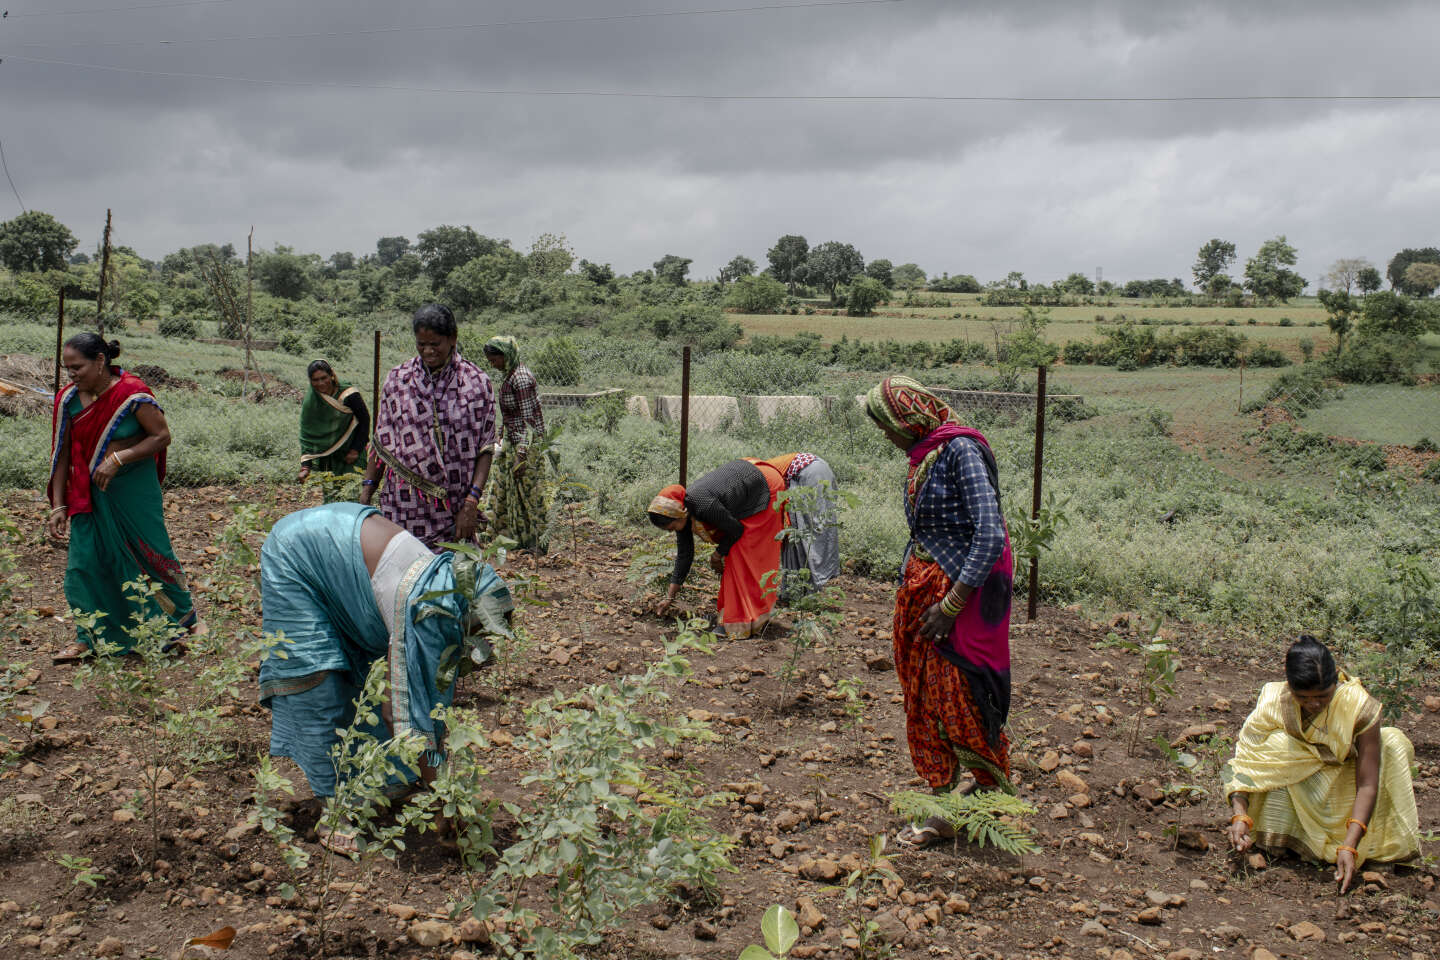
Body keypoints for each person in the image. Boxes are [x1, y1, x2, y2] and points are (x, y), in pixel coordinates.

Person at [259, 502, 514, 852]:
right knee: (320, 681)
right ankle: (333, 812)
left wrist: (435, 772)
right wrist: (443, 796)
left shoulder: (447, 582)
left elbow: (423, 705)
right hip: (299, 554)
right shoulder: (431, 611)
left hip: (342, 548)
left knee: (372, 676)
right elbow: (401, 712)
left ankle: (371, 780)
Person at [864, 376, 1014, 849]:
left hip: (959, 600)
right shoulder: (927, 452)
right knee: (925, 699)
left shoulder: (960, 452)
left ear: (909, 419)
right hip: (926, 591)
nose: (886, 437)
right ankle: (946, 802)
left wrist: (949, 607)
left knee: (961, 698)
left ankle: (988, 803)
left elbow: (989, 536)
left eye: (888, 427)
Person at [46, 334, 203, 664]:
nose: (72, 374)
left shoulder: (132, 395)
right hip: (87, 495)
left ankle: (182, 621)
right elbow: (61, 455)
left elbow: (161, 436)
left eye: (78, 367)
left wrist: (119, 459)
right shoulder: (68, 400)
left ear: (100, 361)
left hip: (132, 492)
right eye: (67, 368)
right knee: (84, 565)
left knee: (150, 555)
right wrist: (58, 504)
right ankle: (89, 636)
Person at [1224, 636, 1419, 893]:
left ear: (1336, 682)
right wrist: (1240, 814)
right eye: (1303, 697)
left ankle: (1375, 847)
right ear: (1289, 687)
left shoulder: (1358, 707)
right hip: (1303, 783)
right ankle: (1286, 833)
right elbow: (1248, 761)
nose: (1313, 704)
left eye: (1323, 696)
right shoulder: (1274, 701)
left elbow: (1368, 784)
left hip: (1347, 783)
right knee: (1277, 745)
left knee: (1392, 743)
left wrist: (1350, 845)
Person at [361, 304, 496, 549]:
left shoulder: (476, 383)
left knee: (454, 578)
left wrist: (471, 502)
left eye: (435, 344)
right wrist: (366, 492)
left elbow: (485, 448)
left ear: (453, 338)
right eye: (421, 344)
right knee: (401, 576)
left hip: (454, 509)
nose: (428, 351)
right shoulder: (398, 379)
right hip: (403, 507)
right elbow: (381, 442)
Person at [648, 458, 786, 638]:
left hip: (765, 488)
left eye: (672, 528)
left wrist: (717, 554)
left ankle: (745, 620)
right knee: (733, 552)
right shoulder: (684, 510)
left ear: (679, 515)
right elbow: (684, 555)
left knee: (741, 554)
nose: (673, 531)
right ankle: (733, 613)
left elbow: (736, 530)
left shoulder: (703, 505)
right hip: (747, 483)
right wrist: (669, 598)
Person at [481, 336, 550, 553]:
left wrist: (521, 455)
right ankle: (505, 536)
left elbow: (529, 420)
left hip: (526, 445)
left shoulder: (521, 379)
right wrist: (501, 436)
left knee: (529, 493)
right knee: (503, 487)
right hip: (513, 441)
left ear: (506, 355)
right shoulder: (510, 375)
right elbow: (511, 414)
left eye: (494, 360)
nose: (493, 364)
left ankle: (538, 542)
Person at [764, 452, 840, 601]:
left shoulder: (761, 477)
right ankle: (806, 591)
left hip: (806, 474)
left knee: (798, 535)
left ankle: (798, 594)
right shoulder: (762, 468)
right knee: (818, 529)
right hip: (820, 468)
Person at [298, 359, 370, 485]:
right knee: (332, 496)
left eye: (324, 378)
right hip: (328, 458)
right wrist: (306, 467)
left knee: (353, 491)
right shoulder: (312, 400)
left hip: (351, 452)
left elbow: (365, 420)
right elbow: (308, 435)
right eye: (315, 380)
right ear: (310, 381)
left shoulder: (348, 394)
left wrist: (355, 450)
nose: (321, 383)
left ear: (332, 375)